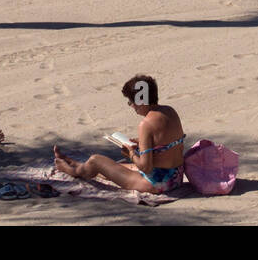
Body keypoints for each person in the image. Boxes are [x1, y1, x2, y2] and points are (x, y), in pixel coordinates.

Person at [54, 74, 187, 194]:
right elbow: (165, 144)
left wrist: (131, 154)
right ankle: (75, 163)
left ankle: (69, 169)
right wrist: (142, 144)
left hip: (156, 184)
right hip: (175, 178)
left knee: (96, 160)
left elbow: (146, 167)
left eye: (131, 102)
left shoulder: (146, 124)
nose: (131, 105)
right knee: (114, 168)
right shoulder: (170, 111)